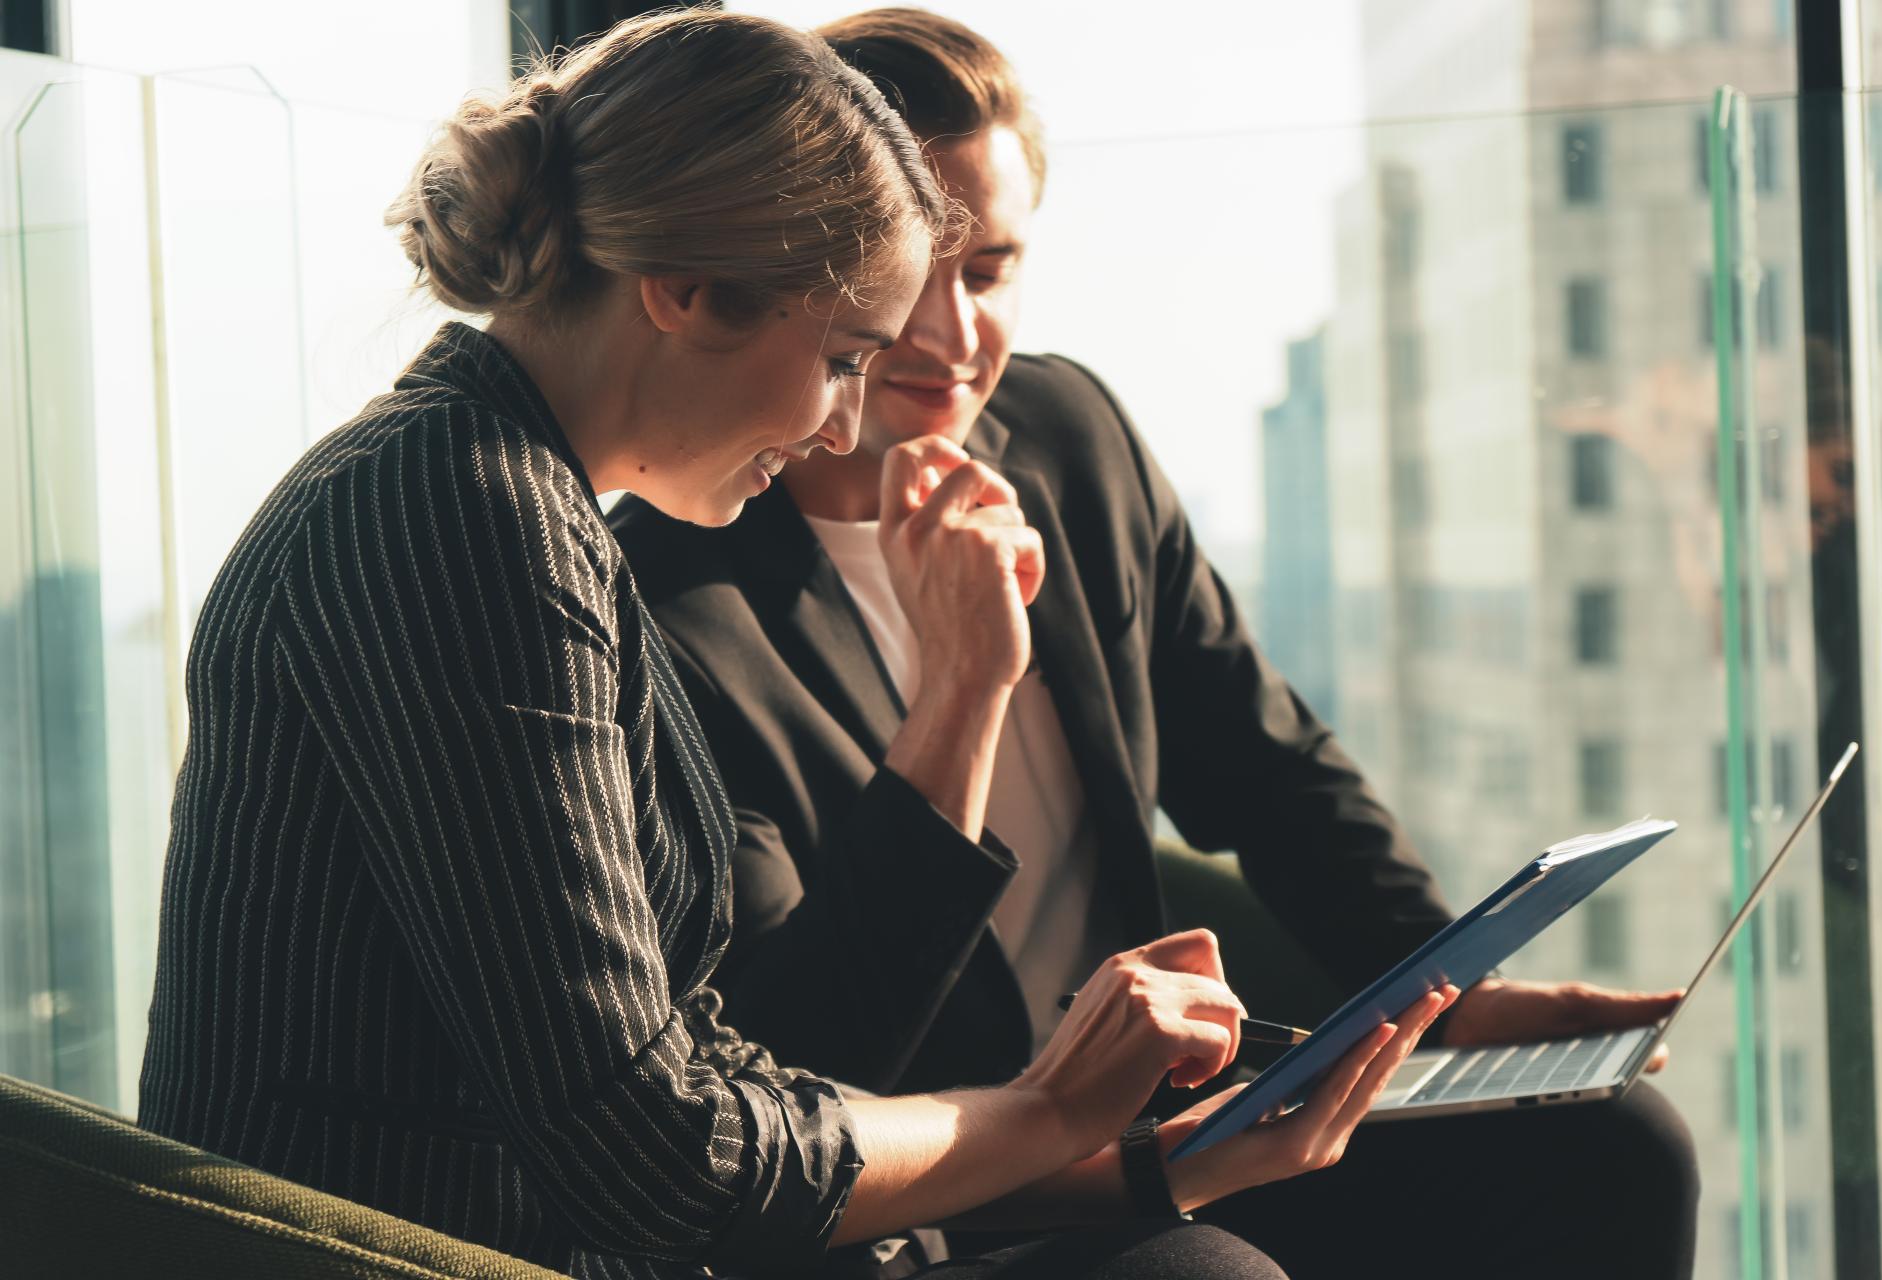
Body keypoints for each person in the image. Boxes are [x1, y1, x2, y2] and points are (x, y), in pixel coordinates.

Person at [135, 12, 1449, 1280]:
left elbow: (694, 1074)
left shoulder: (505, 503)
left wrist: (1126, 1160)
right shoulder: (471, 525)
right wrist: (1053, 1116)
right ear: (687, 294)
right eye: (842, 356)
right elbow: (661, 1157)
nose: (838, 429)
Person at [606, 9, 1700, 1278]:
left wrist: (1445, 987)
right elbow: (815, 1049)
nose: (956, 338)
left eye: (992, 269)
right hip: (925, 1195)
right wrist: (961, 691)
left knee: (1615, 1141)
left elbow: (1264, 763)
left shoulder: (1070, 435)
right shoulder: (664, 602)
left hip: (1169, 1118)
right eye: (913, 273)